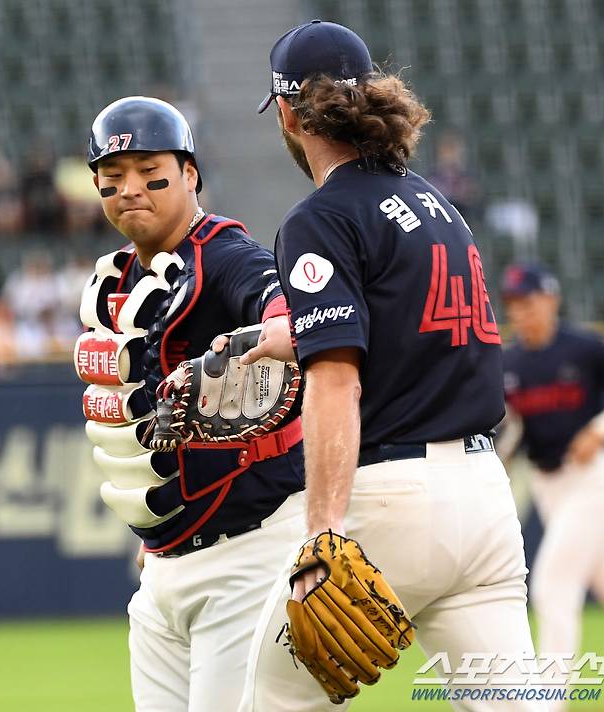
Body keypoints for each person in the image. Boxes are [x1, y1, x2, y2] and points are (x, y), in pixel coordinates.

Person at [237, 20, 543, 712]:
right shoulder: (439, 206)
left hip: (390, 503)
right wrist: (293, 337)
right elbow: (408, 325)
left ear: (287, 112)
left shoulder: (321, 217)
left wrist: (322, 532)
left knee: (266, 701)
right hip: (484, 502)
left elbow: (337, 378)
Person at [77, 96, 306, 712]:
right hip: (163, 567)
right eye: (112, 176)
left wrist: (260, 337)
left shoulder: (225, 256)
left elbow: (288, 313)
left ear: (190, 175)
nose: (129, 188)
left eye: (149, 171)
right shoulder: (121, 278)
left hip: (251, 552)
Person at [500, 263, 604, 709]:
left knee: (554, 585)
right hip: (547, 484)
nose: (522, 310)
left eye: (529, 300)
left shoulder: (584, 347)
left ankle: (547, 701)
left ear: (551, 299)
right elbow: (506, 434)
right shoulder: (509, 363)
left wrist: (603, 427)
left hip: (593, 481)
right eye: (514, 303)